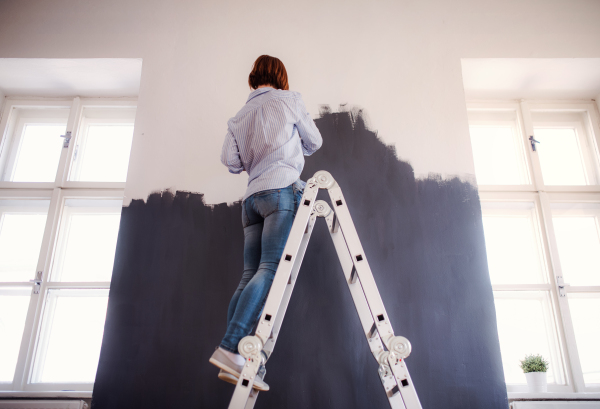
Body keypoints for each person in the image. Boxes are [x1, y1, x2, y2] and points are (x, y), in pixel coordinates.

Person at [209, 55, 323, 391]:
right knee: (270, 270)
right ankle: (231, 347)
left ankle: (234, 355)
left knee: (249, 275)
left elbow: (230, 161)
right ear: (280, 76)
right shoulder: (290, 100)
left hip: (251, 200)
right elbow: (314, 142)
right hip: (281, 192)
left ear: (254, 77)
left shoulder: (239, 117)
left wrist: (253, 155)